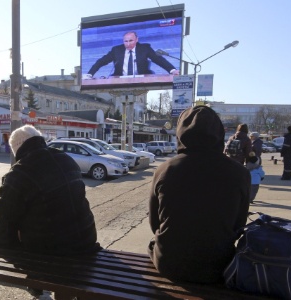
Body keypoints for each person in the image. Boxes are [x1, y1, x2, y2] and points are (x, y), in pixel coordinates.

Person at [148, 106, 251, 284]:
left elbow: (154, 223)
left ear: (180, 133)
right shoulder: (240, 173)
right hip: (218, 266)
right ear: (219, 134)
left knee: (153, 244)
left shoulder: (164, 170)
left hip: (170, 264)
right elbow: (238, 225)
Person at [0, 125, 100, 255]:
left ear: (16, 149)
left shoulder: (20, 172)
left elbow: (3, 218)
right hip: (87, 239)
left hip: (53, 251)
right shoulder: (66, 159)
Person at [83, 31, 179, 79]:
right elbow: (101, 61)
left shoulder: (145, 48)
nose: (128, 44)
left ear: (137, 40)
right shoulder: (116, 50)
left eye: (131, 40)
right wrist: (90, 74)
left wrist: (172, 70)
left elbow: (158, 59)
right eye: (126, 41)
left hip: (141, 79)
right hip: (120, 79)